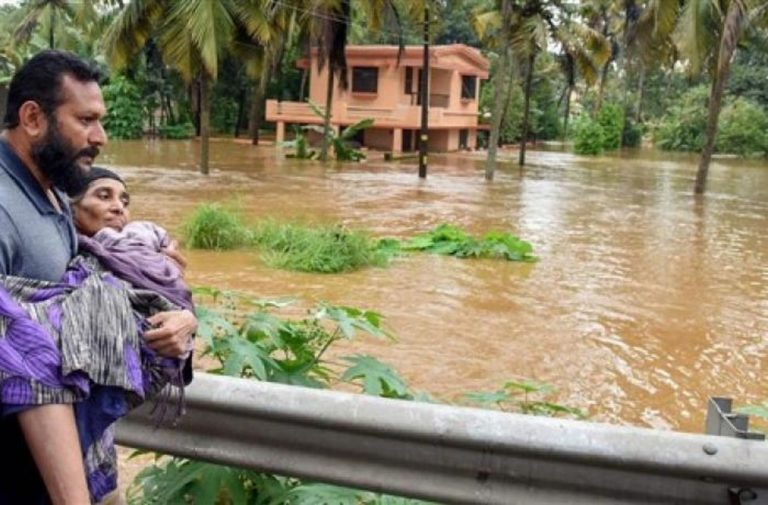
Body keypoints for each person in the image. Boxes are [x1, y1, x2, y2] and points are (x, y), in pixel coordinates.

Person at [0, 50, 196, 505]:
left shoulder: (50, 193)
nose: (101, 137)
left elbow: (86, 301)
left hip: (52, 466)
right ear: (33, 117)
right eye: (85, 120)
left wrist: (175, 316)